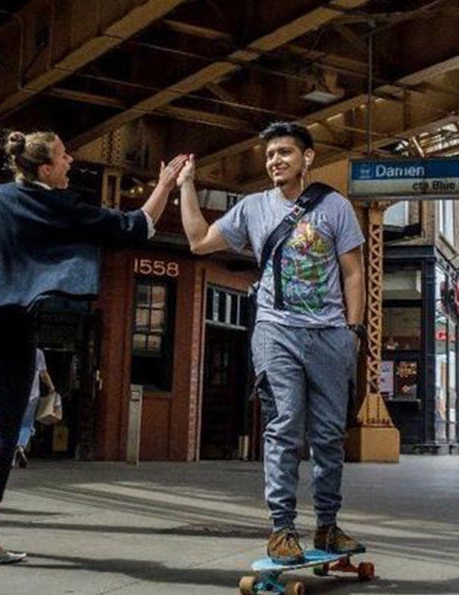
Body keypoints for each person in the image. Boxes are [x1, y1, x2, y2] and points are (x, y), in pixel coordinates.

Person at [0, 130, 186, 564]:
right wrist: (164, 185)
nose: (72, 161)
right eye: (64, 155)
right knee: (3, 428)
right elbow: (135, 226)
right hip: (11, 320)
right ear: (45, 168)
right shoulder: (60, 204)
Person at [178, 122, 366, 564]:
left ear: (308, 157)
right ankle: (282, 530)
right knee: (283, 429)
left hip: (330, 334)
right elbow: (198, 241)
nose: (275, 160)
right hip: (276, 331)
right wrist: (186, 185)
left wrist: (353, 332)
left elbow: (354, 272)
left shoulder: (334, 206)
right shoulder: (252, 208)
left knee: (328, 436)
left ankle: (327, 526)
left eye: (284, 152)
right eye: (270, 155)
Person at [14, 347, 55, 468]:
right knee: (27, 424)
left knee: (13, 423)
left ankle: (10, 457)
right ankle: (21, 446)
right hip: (32, 395)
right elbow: (43, 374)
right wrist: (51, 387)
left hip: (14, 393)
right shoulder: (38, 353)